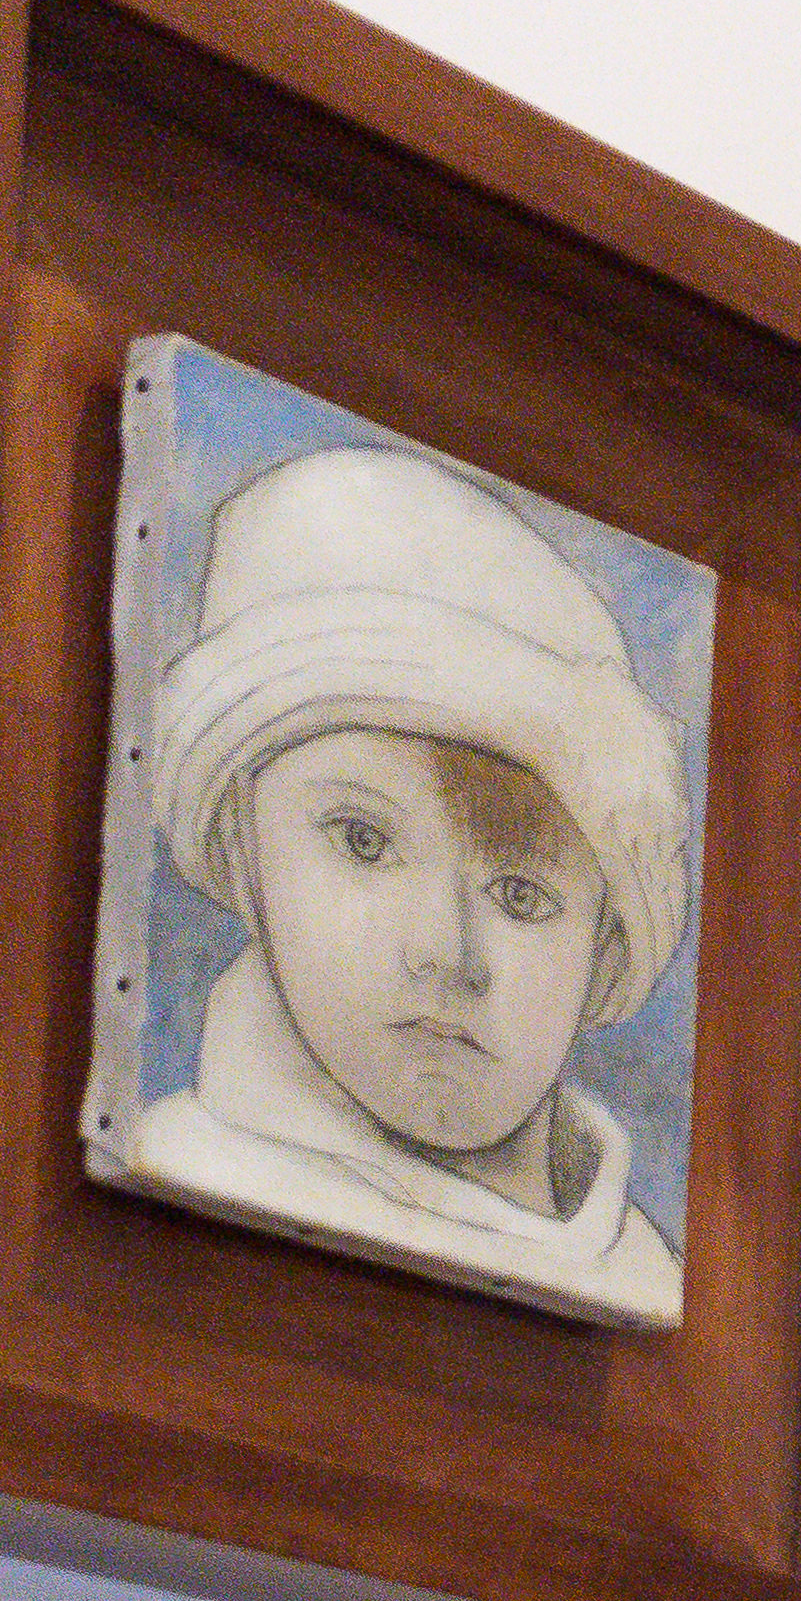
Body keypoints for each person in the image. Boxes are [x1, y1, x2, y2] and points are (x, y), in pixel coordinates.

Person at [105, 443, 697, 1330]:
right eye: (364, 841)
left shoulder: (648, 1284)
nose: (448, 953)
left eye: (523, 895)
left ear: (607, 947)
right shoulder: (164, 1197)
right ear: (240, 835)